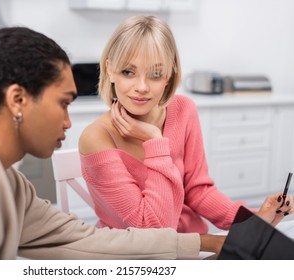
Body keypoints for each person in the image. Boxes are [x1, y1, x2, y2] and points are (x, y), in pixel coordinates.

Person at [0, 26, 234, 260]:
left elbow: (87, 241)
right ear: (18, 99)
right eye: (64, 103)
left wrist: (209, 243)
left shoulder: (10, 184)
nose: (68, 122)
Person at [78, 16, 293, 233]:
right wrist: (155, 142)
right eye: (128, 72)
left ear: (169, 76)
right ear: (109, 70)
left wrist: (255, 220)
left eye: (155, 74)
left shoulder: (183, 110)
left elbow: (199, 192)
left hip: (195, 245)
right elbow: (153, 231)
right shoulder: (96, 138)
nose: (141, 87)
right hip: (137, 258)